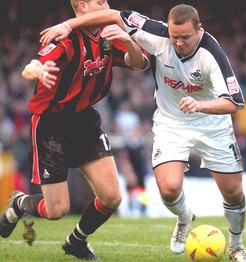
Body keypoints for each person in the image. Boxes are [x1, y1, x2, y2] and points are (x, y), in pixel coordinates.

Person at [40, 4, 246, 261]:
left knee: (233, 191)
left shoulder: (212, 53)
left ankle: (236, 246)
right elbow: (113, 15)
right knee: (169, 188)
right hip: (171, 123)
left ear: (199, 29)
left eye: (185, 37)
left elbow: (234, 102)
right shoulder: (154, 32)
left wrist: (201, 105)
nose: (179, 43)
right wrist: (69, 25)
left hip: (212, 123)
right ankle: (185, 218)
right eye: (174, 37)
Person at [0, 0, 148, 260]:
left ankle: (76, 241)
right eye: (100, 1)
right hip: (51, 124)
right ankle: (19, 202)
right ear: (82, 6)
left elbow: (139, 63)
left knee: (112, 197)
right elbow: (30, 67)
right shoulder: (66, 39)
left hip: (85, 121)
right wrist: (38, 71)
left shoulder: (110, 33)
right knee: (56, 210)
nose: (107, 4)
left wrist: (128, 39)